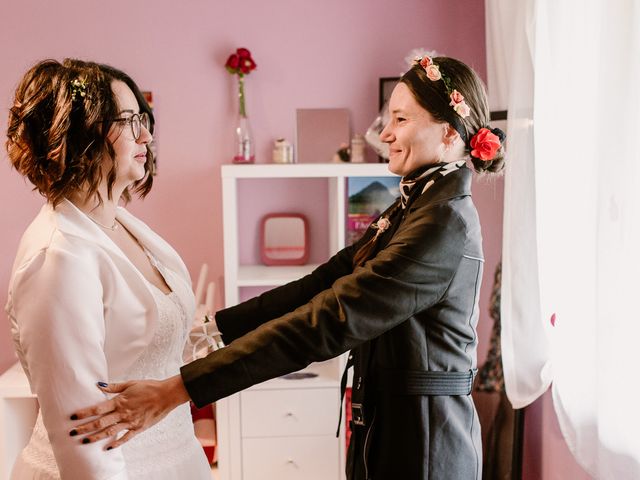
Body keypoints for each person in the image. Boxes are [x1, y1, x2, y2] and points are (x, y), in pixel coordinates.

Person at [71, 55, 506, 479]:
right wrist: (217, 328)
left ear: (449, 134)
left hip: (424, 441)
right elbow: (326, 280)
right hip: (388, 424)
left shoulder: (444, 222)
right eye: (388, 119)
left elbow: (334, 317)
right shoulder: (418, 203)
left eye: (401, 120)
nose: (386, 134)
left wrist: (176, 390)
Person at [5, 59, 211, 479]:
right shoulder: (58, 256)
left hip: (176, 459)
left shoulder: (121, 224)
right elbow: (86, 437)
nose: (147, 135)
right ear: (81, 133)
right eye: (129, 120)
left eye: (144, 119)